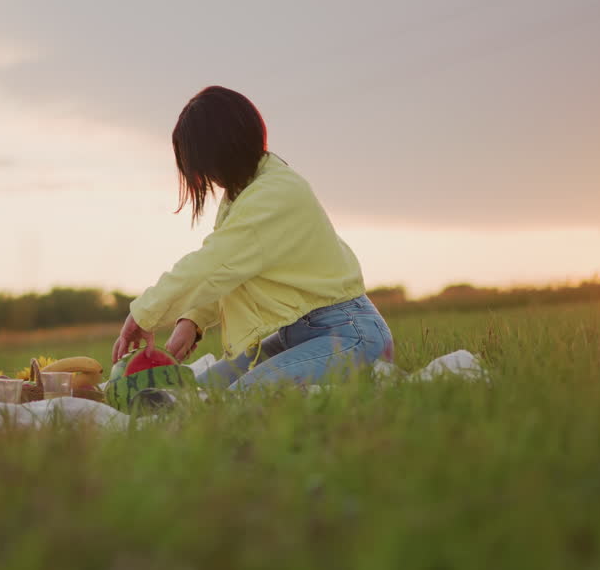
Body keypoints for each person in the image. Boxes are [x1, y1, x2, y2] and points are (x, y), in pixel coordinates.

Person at [111, 86, 394, 390]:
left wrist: (143, 315)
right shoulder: (246, 192)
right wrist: (191, 321)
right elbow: (229, 271)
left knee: (241, 397)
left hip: (351, 335)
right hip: (298, 333)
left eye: (204, 166)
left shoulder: (274, 193)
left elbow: (211, 263)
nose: (207, 178)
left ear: (222, 150)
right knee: (198, 394)